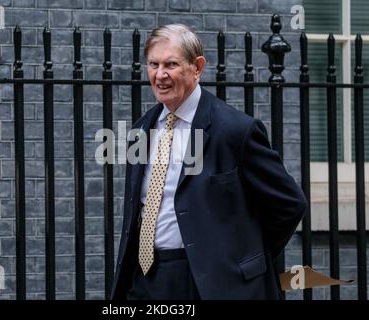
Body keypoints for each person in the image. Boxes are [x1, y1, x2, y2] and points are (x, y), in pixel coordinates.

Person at [110, 24, 307, 300]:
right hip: (147, 281)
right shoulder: (141, 130)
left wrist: (239, 259)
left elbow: (289, 204)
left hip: (208, 283)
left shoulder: (236, 130)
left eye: (171, 64)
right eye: (153, 64)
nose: (160, 75)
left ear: (197, 67)